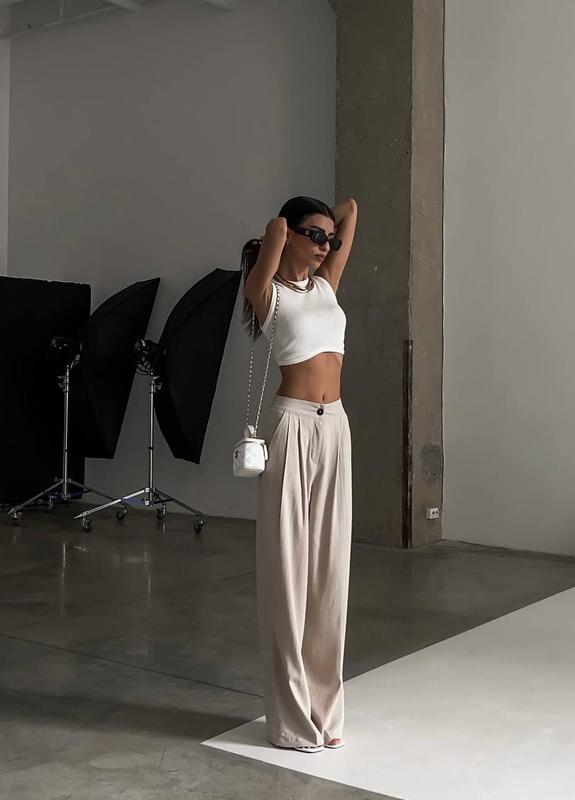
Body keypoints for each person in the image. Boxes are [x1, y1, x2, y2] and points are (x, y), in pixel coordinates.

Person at [240, 195, 358, 754]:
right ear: (288, 235)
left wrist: (327, 229)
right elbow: (273, 228)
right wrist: (289, 232)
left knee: (330, 573)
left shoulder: (326, 285)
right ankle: (290, 720)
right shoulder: (266, 292)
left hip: (335, 428)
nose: (326, 247)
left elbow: (352, 209)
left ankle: (325, 710)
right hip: (290, 427)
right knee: (287, 571)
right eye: (315, 237)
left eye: (330, 241)